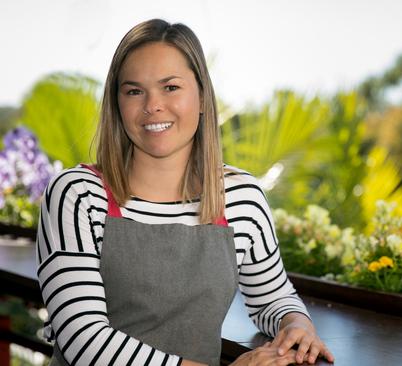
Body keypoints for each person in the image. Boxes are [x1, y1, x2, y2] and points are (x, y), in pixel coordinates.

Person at [36, 18, 335, 366]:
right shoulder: (78, 195)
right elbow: (83, 339)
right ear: (117, 104)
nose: (152, 105)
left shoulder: (241, 198)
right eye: (134, 91)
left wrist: (296, 325)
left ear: (203, 98)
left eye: (171, 88)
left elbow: (272, 297)